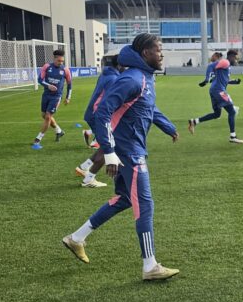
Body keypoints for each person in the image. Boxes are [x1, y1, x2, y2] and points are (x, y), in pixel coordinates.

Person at [62, 33, 180, 281]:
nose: (162, 54)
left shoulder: (144, 78)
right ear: (146, 53)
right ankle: (150, 266)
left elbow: (149, 109)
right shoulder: (132, 78)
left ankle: (77, 238)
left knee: (125, 199)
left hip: (132, 148)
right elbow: (101, 112)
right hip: (129, 152)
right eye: (159, 49)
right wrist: (110, 151)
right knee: (145, 205)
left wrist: (168, 126)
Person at [75, 54, 123, 188]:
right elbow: (108, 102)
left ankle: (84, 167)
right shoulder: (114, 79)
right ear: (119, 65)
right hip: (99, 116)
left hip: (93, 114)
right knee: (109, 146)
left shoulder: (106, 75)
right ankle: (89, 179)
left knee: (105, 145)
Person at [188, 50, 243, 143]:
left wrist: (235, 82)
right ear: (231, 56)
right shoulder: (225, 62)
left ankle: (194, 122)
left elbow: (224, 80)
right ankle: (233, 136)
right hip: (219, 90)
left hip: (214, 90)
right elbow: (211, 66)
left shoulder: (226, 66)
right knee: (232, 111)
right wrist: (206, 79)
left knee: (217, 114)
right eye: (235, 58)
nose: (236, 60)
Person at [32, 49, 72, 148]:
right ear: (54, 59)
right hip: (46, 95)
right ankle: (59, 131)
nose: (60, 63)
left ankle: (38, 138)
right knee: (44, 115)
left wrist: (68, 97)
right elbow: (40, 80)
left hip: (56, 97)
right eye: (59, 61)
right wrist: (48, 86)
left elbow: (70, 85)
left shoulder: (65, 70)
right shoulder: (47, 66)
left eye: (62, 61)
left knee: (48, 116)